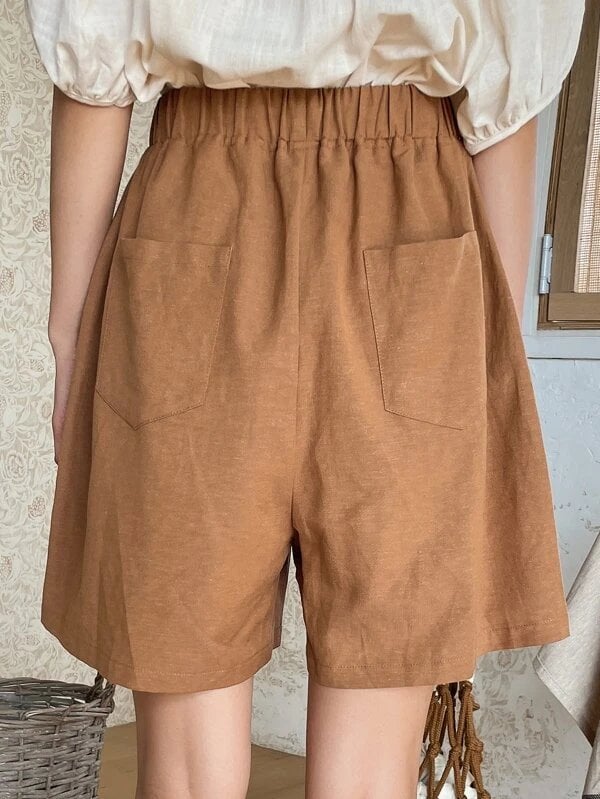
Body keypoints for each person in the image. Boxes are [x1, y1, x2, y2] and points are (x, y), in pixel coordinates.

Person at [25, 3, 583, 798]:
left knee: (185, 767)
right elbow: (506, 96)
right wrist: (494, 352)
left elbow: (95, 69)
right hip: (414, 221)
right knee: (369, 767)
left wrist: (71, 333)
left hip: (198, 214)